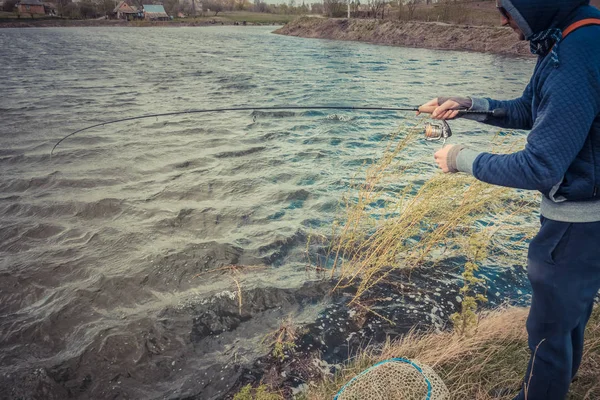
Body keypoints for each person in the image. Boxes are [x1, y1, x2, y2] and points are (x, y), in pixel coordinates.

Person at [418, 1, 600, 399]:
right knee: (571, 314)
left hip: (577, 226)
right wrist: (470, 106)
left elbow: (540, 168)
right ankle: (556, 383)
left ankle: (542, 390)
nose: (502, 18)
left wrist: (460, 159)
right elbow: (531, 109)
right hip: (588, 221)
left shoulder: (571, 59)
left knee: (547, 330)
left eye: (508, 7)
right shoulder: (576, 37)